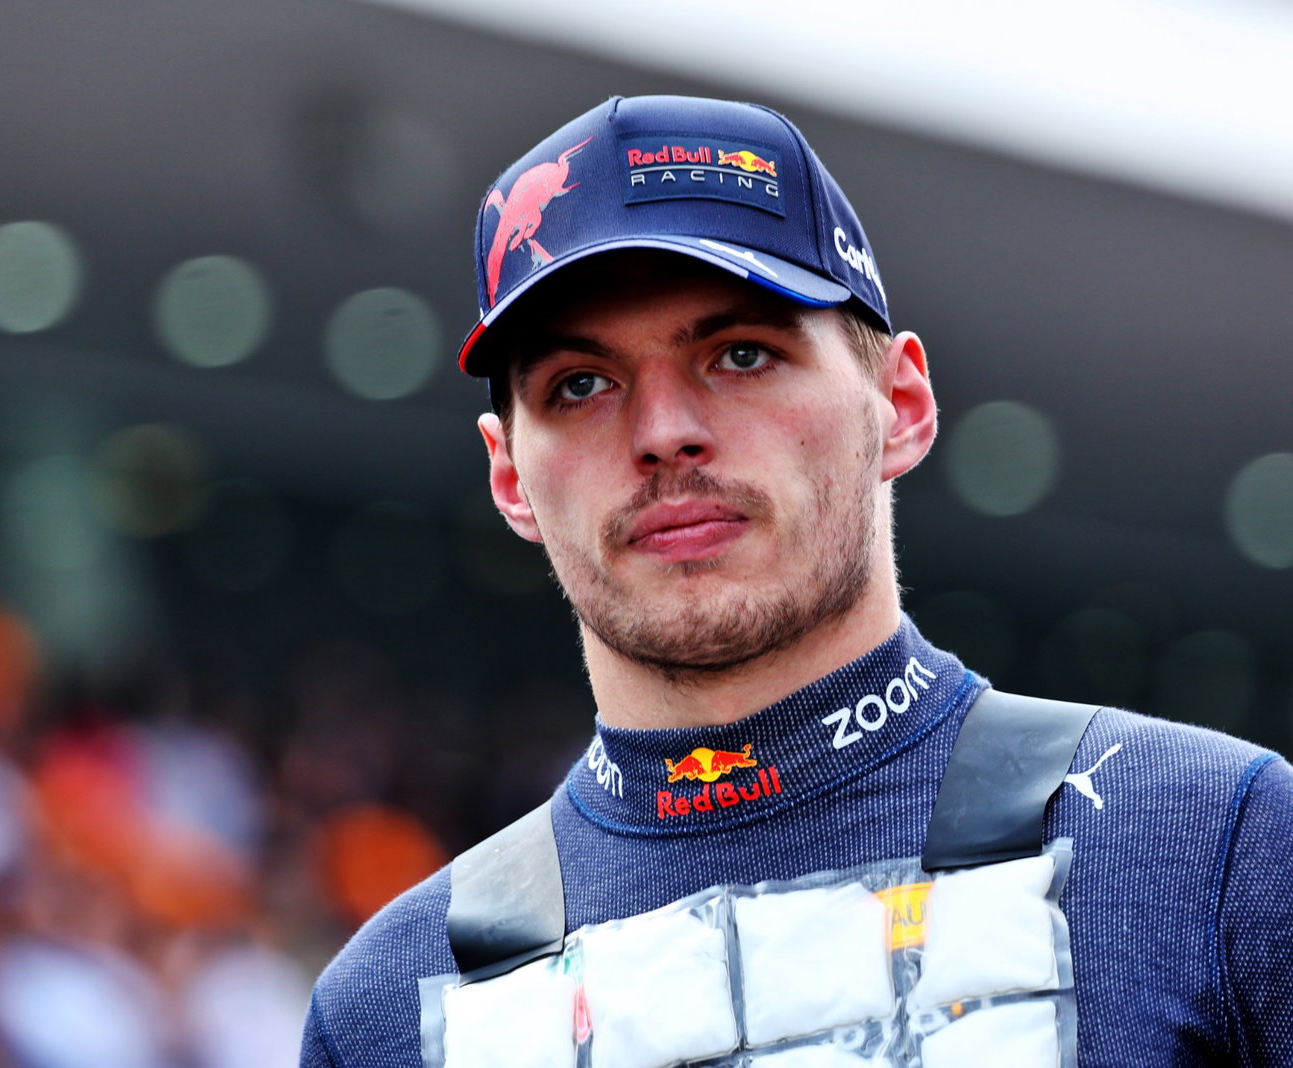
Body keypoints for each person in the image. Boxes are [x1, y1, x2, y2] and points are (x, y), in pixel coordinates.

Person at [299, 95, 1293, 1067]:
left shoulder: (1213, 844)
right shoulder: (388, 1009)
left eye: (740, 355)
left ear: (898, 404)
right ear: (509, 476)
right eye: (581, 386)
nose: (661, 433)